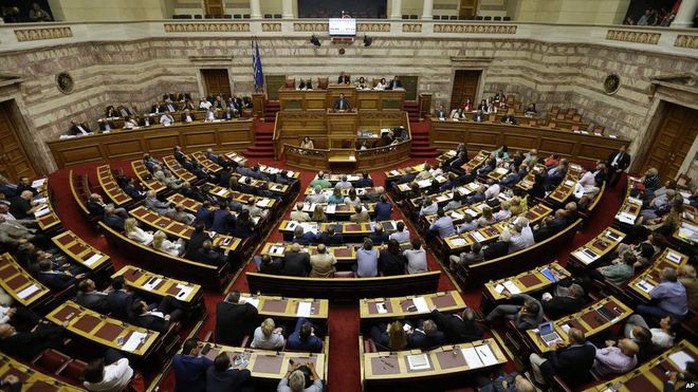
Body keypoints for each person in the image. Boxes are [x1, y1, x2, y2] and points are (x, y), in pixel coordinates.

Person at [528, 328, 595, 385]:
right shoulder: (591, 348)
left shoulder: (568, 355)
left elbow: (557, 365)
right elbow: (576, 351)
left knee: (533, 356)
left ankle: (541, 382)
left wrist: (553, 351)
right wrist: (566, 346)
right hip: (580, 373)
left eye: (569, 336)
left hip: (564, 376)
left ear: (572, 339)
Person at [0, 321, 66, 361]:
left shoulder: (3, 340)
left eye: (11, 326)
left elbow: (29, 336)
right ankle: (63, 348)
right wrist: (61, 327)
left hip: (25, 346)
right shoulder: (17, 338)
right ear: (5, 334)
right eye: (10, 329)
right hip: (34, 353)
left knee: (42, 327)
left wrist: (31, 333)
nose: (13, 327)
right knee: (54, 337)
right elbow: (39, 334)